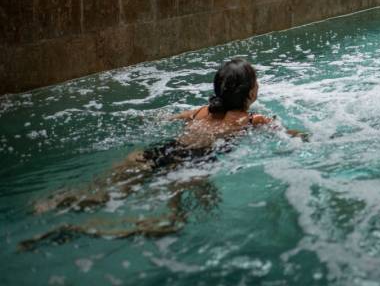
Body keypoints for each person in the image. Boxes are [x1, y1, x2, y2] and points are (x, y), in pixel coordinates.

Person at [30, 59, 306, 216]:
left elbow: (163, 118)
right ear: (251, 94)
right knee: (173, 218)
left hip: (164, 148)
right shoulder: (252, 120)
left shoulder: (200, 111)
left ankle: (66, 200)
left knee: (116, 187)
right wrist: (307, 136)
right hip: (195, 161)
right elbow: (287, 135)